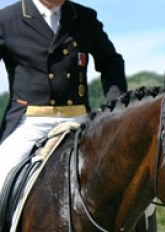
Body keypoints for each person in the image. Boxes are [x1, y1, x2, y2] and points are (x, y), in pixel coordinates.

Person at [0, 0, 127, 192]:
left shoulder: (84, 17)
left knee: (130, 172)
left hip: (79, 119)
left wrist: (114, 108)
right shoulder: (7, 19)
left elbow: (111, 61)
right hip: (31, 121)